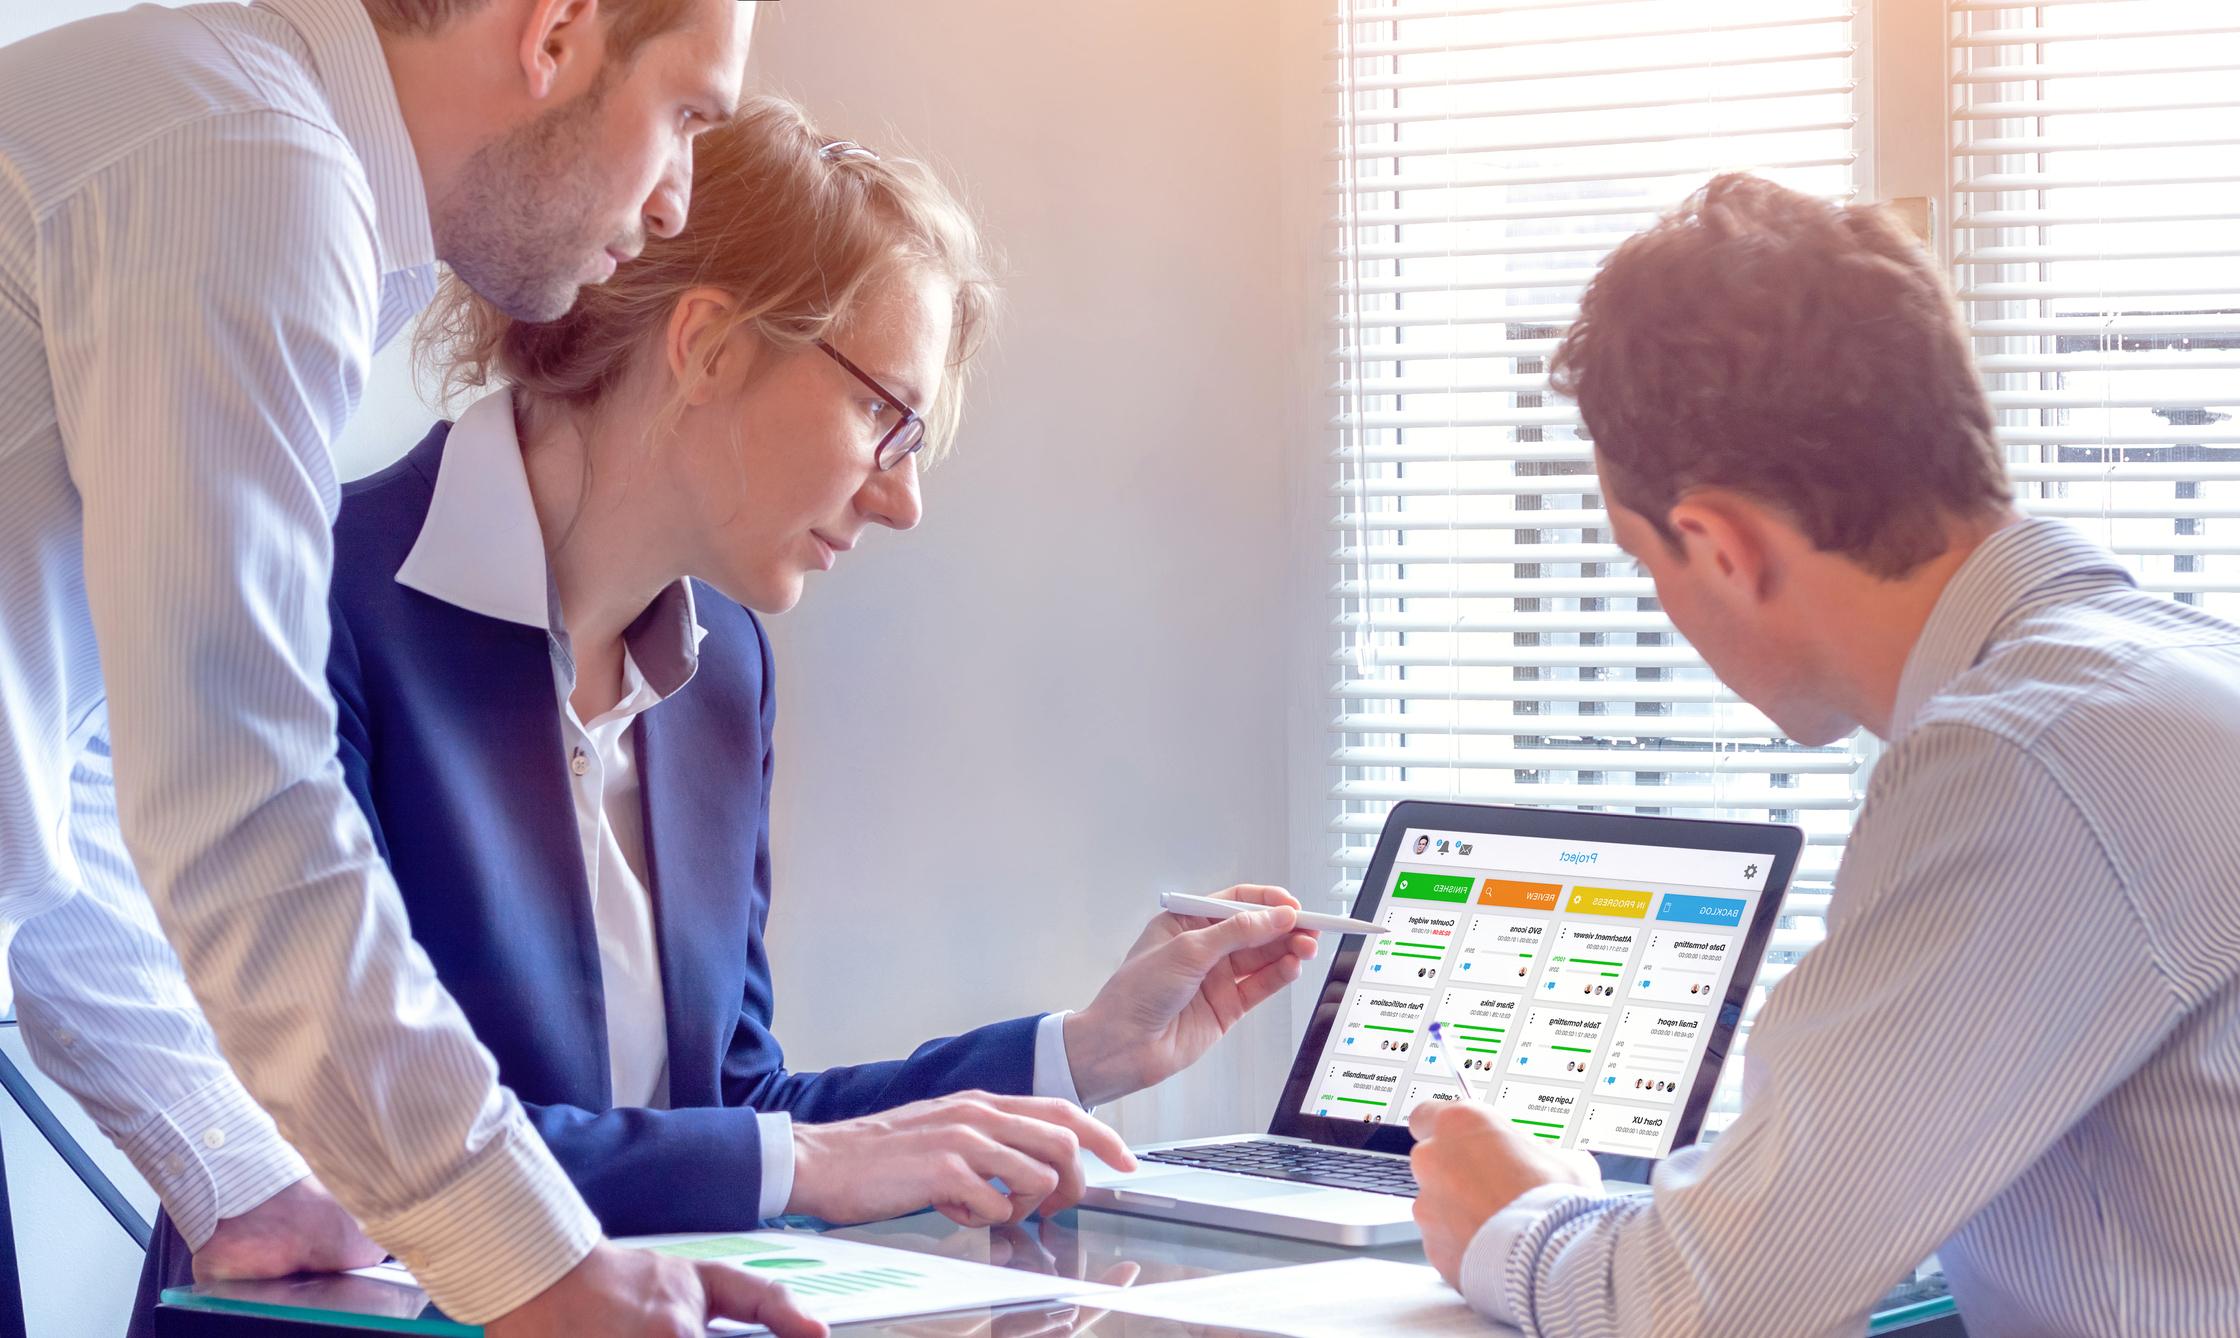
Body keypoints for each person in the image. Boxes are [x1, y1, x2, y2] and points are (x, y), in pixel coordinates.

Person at [120, 98, 1319, 1322]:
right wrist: (800, 1163)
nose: (902, 499)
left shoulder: (720, 666)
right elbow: (348, 1153)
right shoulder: (307, 599)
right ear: (708, 347)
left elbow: (726, 1112)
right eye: (882, 417)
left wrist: (1081, 1051)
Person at [0, 0, 836, 1331]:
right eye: (683, 114)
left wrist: (240, 1170)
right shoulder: (248, 163)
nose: (678, 201)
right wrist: (534, 1261)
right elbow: (239, 796)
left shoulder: (242, 146)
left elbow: (62, 778)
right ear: (557, 32)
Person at [1407, 174, 2240, 1337]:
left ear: (1717, 544)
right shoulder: (2168, 677)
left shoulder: (2028, 762)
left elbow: (1700, 1310)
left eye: (1647, 566)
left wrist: (1515, 1223)